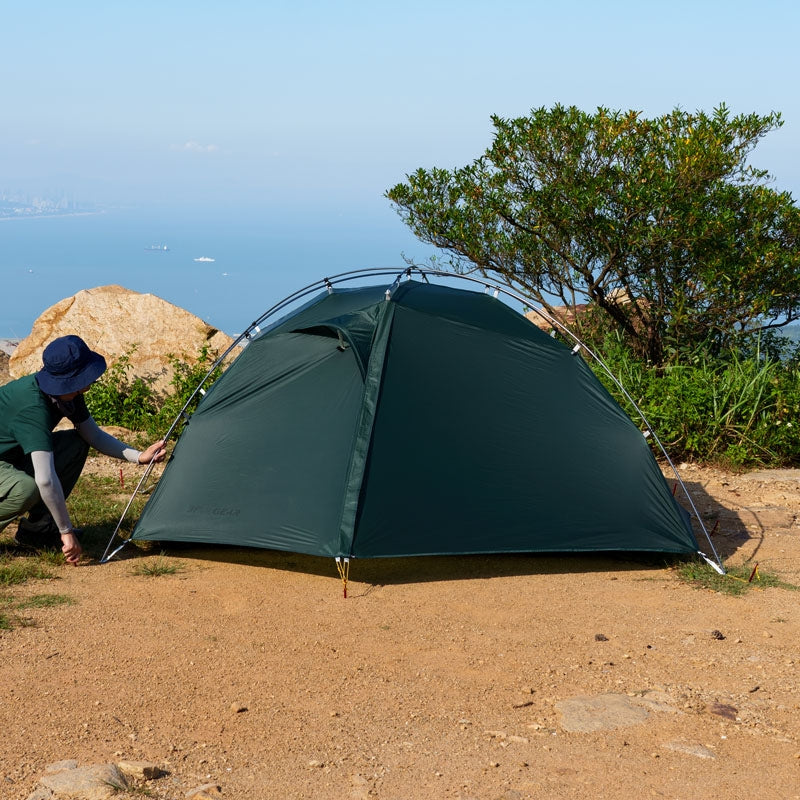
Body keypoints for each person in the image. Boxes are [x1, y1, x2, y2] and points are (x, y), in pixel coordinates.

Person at [0, 335, 166, 564]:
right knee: (25, 488)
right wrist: (66, 532)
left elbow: (93, 435)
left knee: (75, 443)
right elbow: (45, 480)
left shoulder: (65, 394)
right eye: (83, 379)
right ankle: (49, 529)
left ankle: (38, 530)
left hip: (11, 457)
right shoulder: (32, 407)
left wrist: (139, 456)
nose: (88, 385)